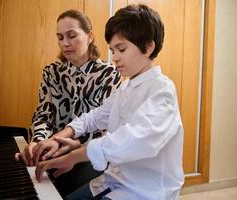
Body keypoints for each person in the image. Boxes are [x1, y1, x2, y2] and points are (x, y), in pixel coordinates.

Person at [35, 4, 184, 200]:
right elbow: (94, 117)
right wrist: (57, 138)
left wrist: (71, 157)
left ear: (148, 47)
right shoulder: (126, 87)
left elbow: (130, 139)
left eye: (121, 49)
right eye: (112, 50)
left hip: (144, 191)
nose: (115, 58)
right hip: (113, 180)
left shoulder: (162, 90)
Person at [15, 9, 121, 196]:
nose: (65, 43)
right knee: (25, 176)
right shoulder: (51, 72)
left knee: (60, 185)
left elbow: (105, 128)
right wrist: (38, 143)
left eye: (71, 36)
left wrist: (67, 146)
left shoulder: (109, 74)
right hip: (53, 148)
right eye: (60, 37)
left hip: (88, 155)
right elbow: (43, 115)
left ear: (89, 37)